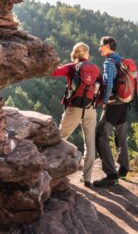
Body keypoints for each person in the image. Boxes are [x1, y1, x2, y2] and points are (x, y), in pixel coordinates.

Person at [51, 42, 102, 188]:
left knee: (59, 138)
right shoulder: (95, 68)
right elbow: (101, 86)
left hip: (74, 108)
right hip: (90, 109)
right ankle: (87, 179)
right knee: (90, 144)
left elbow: (53, 72)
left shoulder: (71, 67)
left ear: (75, 54)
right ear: (85, 54)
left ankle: (52, 171)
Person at [94, 36, 129, 187]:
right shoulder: (123, 60)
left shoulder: (109, 62)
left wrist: (106, 100)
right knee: (121, 135)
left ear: (107, 46)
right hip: (124, 102)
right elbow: (137, 77)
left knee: (101, 136)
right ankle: (123, 167)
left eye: (101, 45)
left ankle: (111, 175)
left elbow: (108, 82)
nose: (99, 48)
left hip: (114, 104)